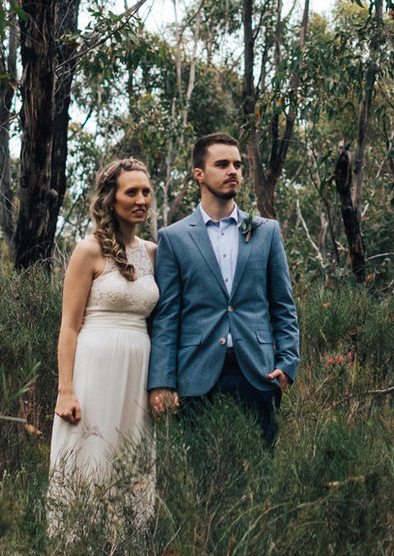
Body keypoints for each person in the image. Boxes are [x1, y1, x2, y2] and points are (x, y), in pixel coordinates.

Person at [146, 132, 299, 447]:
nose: (234, 171)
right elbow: (166, 316)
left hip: (258, 374)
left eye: (238, 165)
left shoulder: (266, 231)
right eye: (223, 164)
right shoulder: (173, 238)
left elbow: (283, 306)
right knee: (199, 480)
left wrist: (287, 365)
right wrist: (162, 380)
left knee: (260, 473)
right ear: (199, 174)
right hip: (196, 378)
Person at [46, 158, 160, 534]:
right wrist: (65, 390)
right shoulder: (88, 251)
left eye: (146, 192)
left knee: (132, 452)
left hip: (138, 369)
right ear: (111, 199)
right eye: (131, 192)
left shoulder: (153, 252)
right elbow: (68, 326)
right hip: (94, 366)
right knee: (91, 451)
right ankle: (76, 545)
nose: (141, 199)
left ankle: (126, 545)